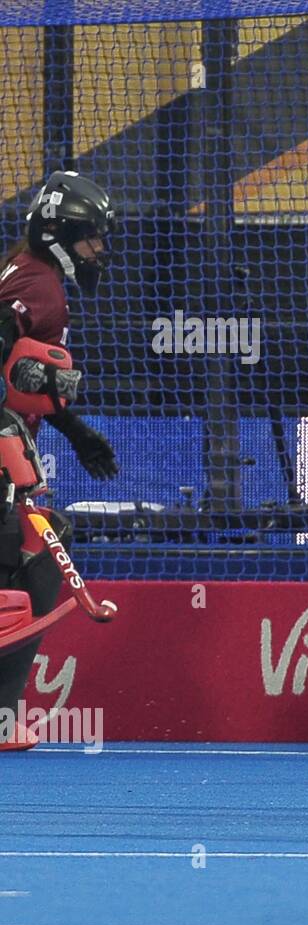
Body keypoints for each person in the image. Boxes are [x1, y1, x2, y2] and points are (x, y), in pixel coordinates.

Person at [0, 171, 119, 753]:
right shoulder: (39, 284)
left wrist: (72, 429)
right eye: (91, 238)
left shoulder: (27, 272)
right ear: (61, 234)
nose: (99, 250)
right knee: (24, 555)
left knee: (35, 547)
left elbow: (19, 371)